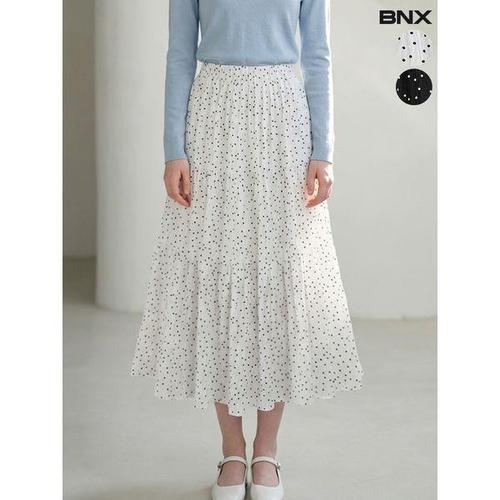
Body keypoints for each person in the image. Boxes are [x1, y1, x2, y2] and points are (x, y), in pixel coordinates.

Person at [131, 1, 363, 499]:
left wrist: (323, 151)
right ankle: (232, 449)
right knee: (215, 277)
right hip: (212, 121)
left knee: (279, 282)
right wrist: (174, 148)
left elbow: (318, 54)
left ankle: (267, 451)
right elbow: (179, 54)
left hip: (283, 121)